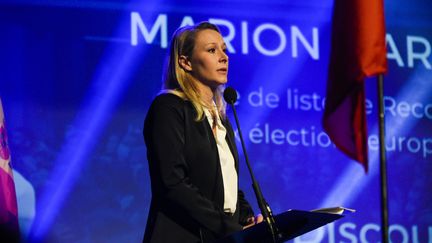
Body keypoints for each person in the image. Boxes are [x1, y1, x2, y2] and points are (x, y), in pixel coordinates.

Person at [143, 22, 262, 243]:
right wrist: (229, 228)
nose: (223, 57)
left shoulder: (220, 117)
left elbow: (227, 187)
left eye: (224, 49)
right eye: (211, 50)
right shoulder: (168, 107)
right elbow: (173, 183)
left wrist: (247, 218)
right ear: (185, 62)